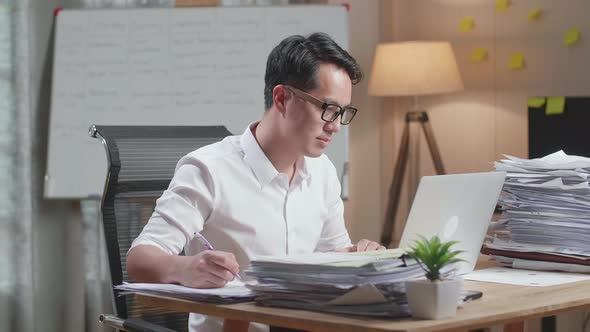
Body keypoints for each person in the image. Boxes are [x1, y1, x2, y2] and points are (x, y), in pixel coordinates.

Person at [127, 32, 386, 332]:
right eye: (327, 108)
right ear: (282, 98)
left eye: (342, 113)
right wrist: (184, 267)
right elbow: (140, 258)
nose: (335, 126)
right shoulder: (209, 169)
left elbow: (333, 256)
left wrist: (359, 259)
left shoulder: (323, 172)